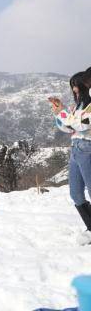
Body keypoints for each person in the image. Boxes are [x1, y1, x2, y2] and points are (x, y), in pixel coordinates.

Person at [51, 72, 91, 244]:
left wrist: (62, 114)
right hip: (76, 149)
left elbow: (79, 123)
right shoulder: (78, 106)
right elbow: (69, 128)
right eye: (72, 84)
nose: (74, 88)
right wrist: (58, 113)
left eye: (76, 84)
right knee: (75, 193)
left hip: (88, 148)